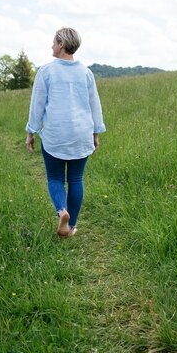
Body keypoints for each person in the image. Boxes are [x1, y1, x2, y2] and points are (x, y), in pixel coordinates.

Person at [25, 27, 106, 237]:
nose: (51, 45)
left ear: (61, 44)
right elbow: (94, 104)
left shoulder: (46, 71)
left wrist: (31, 131)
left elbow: (38, 105)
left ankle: (62, 211)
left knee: (55, 178)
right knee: (76, 179)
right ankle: (71, 227)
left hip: (55, 134)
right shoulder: (86, 72)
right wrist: (96, 132)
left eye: (53, 42)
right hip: (81, 133)